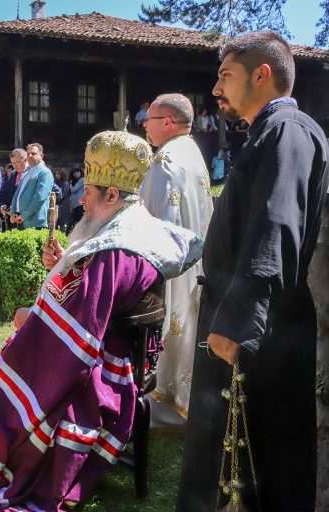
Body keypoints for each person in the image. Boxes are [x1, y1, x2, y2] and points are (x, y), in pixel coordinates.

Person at [0, 131, 203, 511]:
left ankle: (1, 470)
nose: (80, 198)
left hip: (104, 362)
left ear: (111, 195)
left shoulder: (118, 250)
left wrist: (30, 316)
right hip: (113, 343)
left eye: (89, 191)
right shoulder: (130, 227)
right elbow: (96, 292)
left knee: (3, 379)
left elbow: (81, 323)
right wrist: (67, 259)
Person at [179, 30, 329, 512]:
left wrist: (240, 318)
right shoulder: (268, 132)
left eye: (226, 75)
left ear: (262, 74)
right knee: (228, 461)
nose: (216, 88)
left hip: (263, 333)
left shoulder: (288, 130)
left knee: (263, 467)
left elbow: (276, 223)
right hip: (246, 324)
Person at [140, 93, 214, 425]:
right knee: (188, 322)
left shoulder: (165, 159)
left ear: (167, 122)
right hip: (196, 256)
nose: (145, 125)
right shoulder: (192, 150)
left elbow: (156, 220)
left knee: (173, 321)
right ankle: (183, 395)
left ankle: (168, 399)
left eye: (149, 119)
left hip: (172, 262)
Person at [10, 143, 54, 230]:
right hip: (19, 219)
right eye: (28, 153)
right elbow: (17, 194)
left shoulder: (45, 173)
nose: (30, 155)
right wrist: (13, 212)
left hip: (35, 222)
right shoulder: (26, 172)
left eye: (33, 153)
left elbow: (39, 197)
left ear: (41, 156)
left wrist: (24, 215)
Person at [0, 149, 27, 232]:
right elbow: (3, 193)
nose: (14, 166)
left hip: (27, 219)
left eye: (17, 162)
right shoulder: (11, 175)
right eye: (13, 163)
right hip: (11, 219)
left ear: (25, 160)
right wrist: (3, 205)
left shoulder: (34, 173)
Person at [67, 166, 84, 234]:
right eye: (74, 173)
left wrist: (70, 184)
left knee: (78, 221)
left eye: (78, 172)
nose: (76, 174)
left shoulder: (82, 180)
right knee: (74, 221)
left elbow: (73, 190)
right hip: (74, 205)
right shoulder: (75, 181)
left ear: (80, 172)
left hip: (80, 205)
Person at [54, 168, 72, 232]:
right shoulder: (54, 183)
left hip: (63, 205)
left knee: (62, 225)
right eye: (56, 173)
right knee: (54, 224)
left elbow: (63, 195)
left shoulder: (65, 183)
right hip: (56, 205)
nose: (56, 175)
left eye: (58, 173)